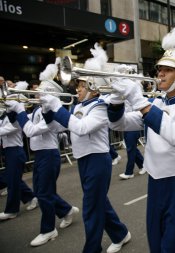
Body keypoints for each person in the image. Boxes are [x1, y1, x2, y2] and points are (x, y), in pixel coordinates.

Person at [107, 13, 175, 253]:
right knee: (156, 245)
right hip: (155, 185)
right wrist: (116, 99)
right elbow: (118, 124)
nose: (159, 74)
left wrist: (139, 100)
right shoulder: (157, 104)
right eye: (159, 69)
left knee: (174, 248)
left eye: (168, 70)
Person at [40, 43, 130, 253]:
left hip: (98, 161)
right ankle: (120, 233)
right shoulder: (79, 105)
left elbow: (80, 128)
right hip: (84, 160)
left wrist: (56, 106)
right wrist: (47, 109)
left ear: (92, 87)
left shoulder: (100, 107)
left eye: (81, 86)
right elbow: (59, 125)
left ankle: (92, 249)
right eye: (77, 85)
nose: (77, 89)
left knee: (91, 208)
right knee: (98, 203)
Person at [5, 60, 79, 246]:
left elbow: (30, 131)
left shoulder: (50, 113)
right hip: (41, 155)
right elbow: (17, 124)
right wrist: (12, 109)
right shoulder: (37, 109)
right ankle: (66, 210)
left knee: (44, 194)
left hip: (49, 155)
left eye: (41, 91)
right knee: (42, 192)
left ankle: (48, 230)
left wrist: (20, 109)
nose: (36, 91)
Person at [0, 82, 38, 221]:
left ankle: (12, 210)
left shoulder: (19, 119)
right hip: (9, 151)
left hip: (16, 152)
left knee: (13, 181)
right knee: (13, 179)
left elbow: (5, 130)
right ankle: (31, 197)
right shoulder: (6, 116)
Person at [119, 101, 146, 179]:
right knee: (132, 148)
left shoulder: (131, 95)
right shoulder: (121, 96)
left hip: (133, 124)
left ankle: (129, 172)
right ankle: (143, 165)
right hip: (127, 125)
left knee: (131, 149)